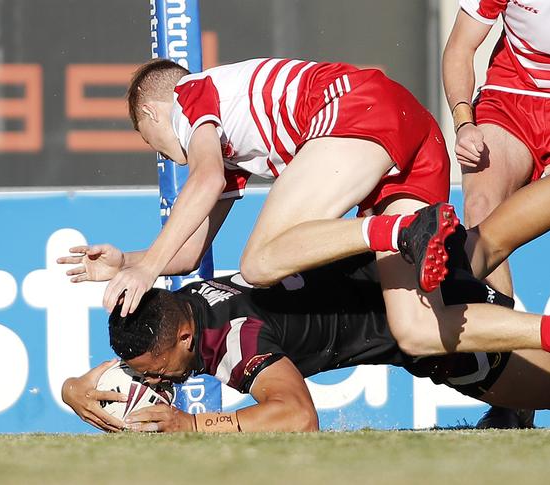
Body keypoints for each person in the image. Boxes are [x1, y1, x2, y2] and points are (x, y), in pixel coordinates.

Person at [73, 57, 550, 361]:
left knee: (259, 263)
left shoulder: (188, 96)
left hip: (359, 109)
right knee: (417, 331)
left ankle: (397, 230)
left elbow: (203, 179)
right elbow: (191, 253)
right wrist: (131, 262)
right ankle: (543, 332)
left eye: (147, 138)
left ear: (155, 114)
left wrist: (147, 269)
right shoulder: (227, 151)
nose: (158, 151)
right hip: (408, 133)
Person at [61, 255, 549, 433]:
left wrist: (190, 425)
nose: (153, 381)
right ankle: (512, 411)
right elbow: (150, 351)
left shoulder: (236, 341)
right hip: (404, 273)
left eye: (153, 371)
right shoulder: (180, 304)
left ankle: (514, 407)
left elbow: (297, 416)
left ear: (186, 338)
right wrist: (71, 388)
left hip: (442, 332)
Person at [442, 0, 550, 297]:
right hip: (513, 96)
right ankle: (501, 336)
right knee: (480, 207)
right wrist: (464, 124)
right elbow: (460, 48)